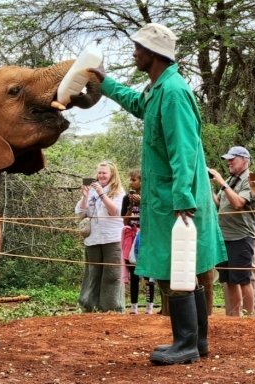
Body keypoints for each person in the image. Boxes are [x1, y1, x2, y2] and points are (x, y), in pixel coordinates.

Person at [89, 23, 226, 365]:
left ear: (153, 54)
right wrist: (104, 83)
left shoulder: (175, 91)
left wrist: (183, 198)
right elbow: (137, 103)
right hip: (168, 197)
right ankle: (197, 340)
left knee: (175, 266)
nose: (134, 53)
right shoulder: (157, 89)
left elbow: (184, 150)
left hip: (176, 199)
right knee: (183, 266)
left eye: (138, 48)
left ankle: (187, 343)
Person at [209, 146, 255, 316]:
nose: (229, 162)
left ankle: (250, 317)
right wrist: (208, 186)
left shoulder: (249, 179)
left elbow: (238, 203)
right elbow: (219, 204)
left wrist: (222, 183)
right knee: (229, 279)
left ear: (245, 160)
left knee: (243, 279)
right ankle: (234, 317)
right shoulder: (231, 179)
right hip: (224, 236)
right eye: (228, 159)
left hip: (241, 236)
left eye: (232, 159)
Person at [75, 160, 126, 312]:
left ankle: (111, 308)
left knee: (112, 274)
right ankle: (89, 306)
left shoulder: (118, 192)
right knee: (93, 273)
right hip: (93, 238)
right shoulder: (91, 191)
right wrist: (85, 196)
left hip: (113, 238)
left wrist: (101, 194)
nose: (101, 175)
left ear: (112, 175)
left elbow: (115, 212)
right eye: (99, 173)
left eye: (104, 173)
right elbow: (80, 213)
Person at [120, 169, 156, 315]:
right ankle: (134, 307)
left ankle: (149, 307)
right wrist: (130, 207)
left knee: (148, 274)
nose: (131, 183)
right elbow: (125, 221)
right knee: (134, 273)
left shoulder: (150, 197)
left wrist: (142, 203)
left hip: (147, 237)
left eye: (134, 180)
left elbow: (153, 216)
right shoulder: (126, 198)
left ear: (142, 181)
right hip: (131, 237)